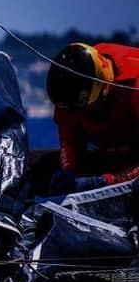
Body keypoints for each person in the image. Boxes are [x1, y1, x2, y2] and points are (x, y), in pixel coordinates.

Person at [46, 41, 139, 192]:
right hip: (111, 154)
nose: (73, 113)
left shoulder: (134, 86)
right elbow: (67, 138)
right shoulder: (69, 85)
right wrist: (68, 169)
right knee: (44, 169)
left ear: (102, 89)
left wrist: (107, 181)